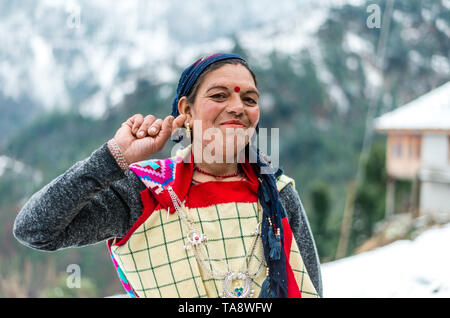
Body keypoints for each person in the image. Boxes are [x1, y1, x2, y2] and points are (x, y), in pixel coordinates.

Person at [13, 53, 322, 298]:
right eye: (219, 96)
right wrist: (112, 158)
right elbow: (35, 229)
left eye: (250, 99)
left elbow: (309, 288)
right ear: (186, 110)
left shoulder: (276, 193)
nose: (238, 107)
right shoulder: (144, 193)